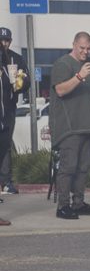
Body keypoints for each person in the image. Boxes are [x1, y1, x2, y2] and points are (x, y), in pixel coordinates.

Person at [49, 32, 90, 220]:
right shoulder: (63, 64)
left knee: (83, 167)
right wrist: (79, 76)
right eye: (82, 48)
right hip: (69, 127)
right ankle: (63, 206)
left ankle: (79, 203)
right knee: (68, 167)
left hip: (88, 126)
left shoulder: (88, 68)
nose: (85, 52)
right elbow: (60, 90)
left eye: (89, 48)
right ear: (74, 44)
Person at [0, 26, 28, 199]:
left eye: (6, 41)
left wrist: (19, 82)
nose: (4, 44)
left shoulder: (15, 59)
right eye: (1, 40)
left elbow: (26, 80)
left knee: (5, 146)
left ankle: (6, 182)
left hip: (9, 110)